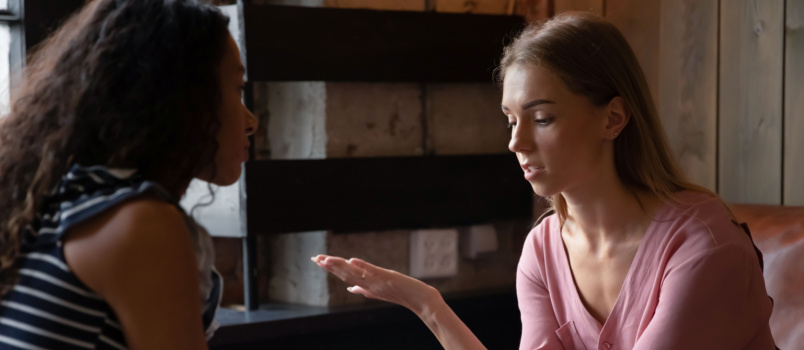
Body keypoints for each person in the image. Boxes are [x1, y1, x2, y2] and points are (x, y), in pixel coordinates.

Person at [313, 11, 776, 350]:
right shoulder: (543, 249)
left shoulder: (704, 246)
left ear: (613, 118)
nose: (517, 143)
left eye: (543, 118)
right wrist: (429, 306)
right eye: (511, 120)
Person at [0, 0, 257, 348]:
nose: (252, 122)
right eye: (238, 90)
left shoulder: (54, 202)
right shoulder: (141, 223)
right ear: (180, 97)